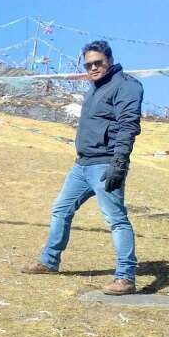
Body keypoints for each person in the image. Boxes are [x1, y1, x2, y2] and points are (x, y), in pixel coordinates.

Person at [21, 40, 144, 295]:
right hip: (82, 165)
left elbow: (128, 126)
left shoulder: (126, 86)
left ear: (109, 59)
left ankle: (126, 277)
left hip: (106, 164)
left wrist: (119, 164)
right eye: (88, 65)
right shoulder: (94, 88)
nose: (93, 68)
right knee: (60, 210)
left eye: (98, 62)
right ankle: (49, 261)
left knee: (116, 219)